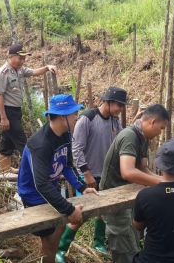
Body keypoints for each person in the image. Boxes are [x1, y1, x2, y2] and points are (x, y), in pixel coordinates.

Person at [17, 94, 99, 263]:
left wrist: (82, 187)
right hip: (34, 194)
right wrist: (69, 210)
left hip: (49, 191)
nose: (77, 118)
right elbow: (41, 184)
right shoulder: (40, 144)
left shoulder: (65, 135)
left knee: (59, 227)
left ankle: (50, 259)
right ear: (63, 117)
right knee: (50, 237)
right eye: (74, 114)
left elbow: (67, 165)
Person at [55, 86, 130, 262]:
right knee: (80, 213)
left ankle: (98, 242)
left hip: (106, 174)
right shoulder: (87, 119)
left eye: (122, 106)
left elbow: (119, 141)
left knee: (101, 210)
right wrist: (86, 174)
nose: (120, 109)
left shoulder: (114, 121)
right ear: (107, 102)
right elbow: (77, 149)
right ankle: (60, 249)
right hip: (89, 173)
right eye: (118, 105)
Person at [100, 104, 170, 263]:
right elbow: (128, 172)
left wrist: (164, 182)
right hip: (113, 195)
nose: (160, 133)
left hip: (127, 192)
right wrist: (162, 183)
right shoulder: (129, 136)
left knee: (133, 236)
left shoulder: (143, 138)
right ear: (152, 122)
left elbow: (143, 168)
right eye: (161, 128)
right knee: (123, 243)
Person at [0, 43, 57, 174]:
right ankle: (32, 172)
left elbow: (34, 72)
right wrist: (4, 118)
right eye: (20, 58)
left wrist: (47, 67)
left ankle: (4, 169)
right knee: (23, 143)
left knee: (8, 141)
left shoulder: (19, 69)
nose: (22, 61)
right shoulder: (3, 73)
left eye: (24, 59)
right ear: (11, 57)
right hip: (7, 112)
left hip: (16, 111)